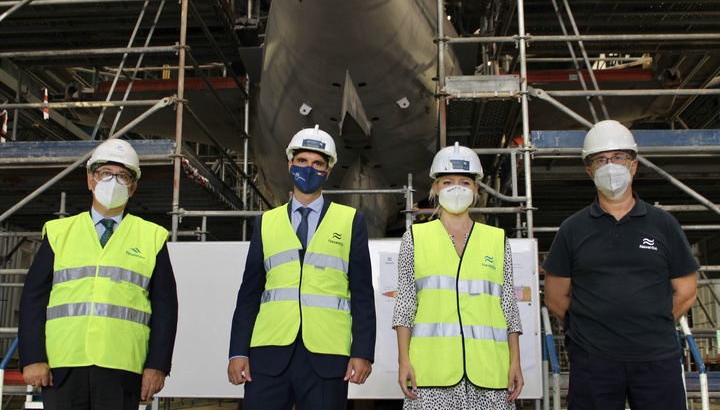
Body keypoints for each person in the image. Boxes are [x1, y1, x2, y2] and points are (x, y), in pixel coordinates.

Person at [542, 120, 699, 410]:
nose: (610, 166)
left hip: (656, 358)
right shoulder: (572, 229)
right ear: (589, 171)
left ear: (634, 165)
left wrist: (651, 323)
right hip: (593, 360)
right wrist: (594, 328)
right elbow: (554, 297)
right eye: (601, 159)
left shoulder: (664, 225)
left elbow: (687, 290)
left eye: (618, 157)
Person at [18, 138, 179, 409]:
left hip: (122, 368)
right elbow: (33, 298)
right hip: (62, 366)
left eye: (123, 176)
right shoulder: (59, 233)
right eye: (106, 173)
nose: (113, 182)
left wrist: (157, 365)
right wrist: (32, 357)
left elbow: (166, 308)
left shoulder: (151, 236)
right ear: (91, 180)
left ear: (133, 187)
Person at [227, 125, 376, 410]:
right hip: (268, 354)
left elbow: (362, 295)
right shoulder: (266, 222)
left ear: (328, 170)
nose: (310, 168)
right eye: (303, 161)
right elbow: (249, 295)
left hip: (327, 356)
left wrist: (362, 352)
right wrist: (237, 352)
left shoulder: (350, 220)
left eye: (318, 163)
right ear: (290, 164)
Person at [393, 142, 524, 409]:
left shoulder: (497, 240)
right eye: (447, 181)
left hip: (490, 373)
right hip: (431, 374)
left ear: (476, 188)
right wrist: (403, 361)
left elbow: (508, 307)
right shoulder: (415, 238)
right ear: (435, 188)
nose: (456, 187)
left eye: (465, 181)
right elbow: (405, 305)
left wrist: (515, 362)